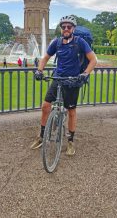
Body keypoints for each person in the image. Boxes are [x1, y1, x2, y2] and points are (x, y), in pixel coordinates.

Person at [31, 15, 97, 155]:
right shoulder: (57, 42)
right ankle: (42, 136)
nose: (66, 29)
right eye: (63, 27)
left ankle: (71, 141)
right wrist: (39, 70)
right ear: (61, 29)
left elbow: (93, 60)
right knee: (45, 106)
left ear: (73, 28)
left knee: (71, 111)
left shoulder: (80, 42)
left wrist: (85, 74)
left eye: (69, 27)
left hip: (73, 81)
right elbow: (45, 58)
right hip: (58, 78)